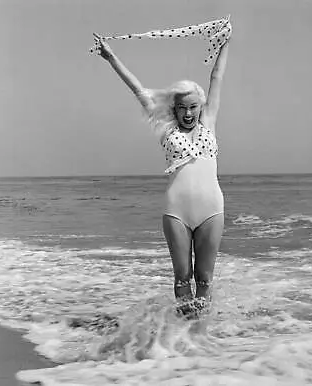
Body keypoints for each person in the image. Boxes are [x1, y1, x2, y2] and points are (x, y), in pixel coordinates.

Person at [93, 31, 230, 316]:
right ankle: (182, 332)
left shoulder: (210, 122)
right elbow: (138, 90)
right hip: (177, 211)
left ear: (201, 106)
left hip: (211, 209)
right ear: (174, 109)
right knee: (182, 277)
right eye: (182, 108)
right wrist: (111, 58)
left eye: (193, 107)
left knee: (204, 278)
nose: (188, 113)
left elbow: (216, 78)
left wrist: (225, 42)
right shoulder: (166, 129)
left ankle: (199, 332)